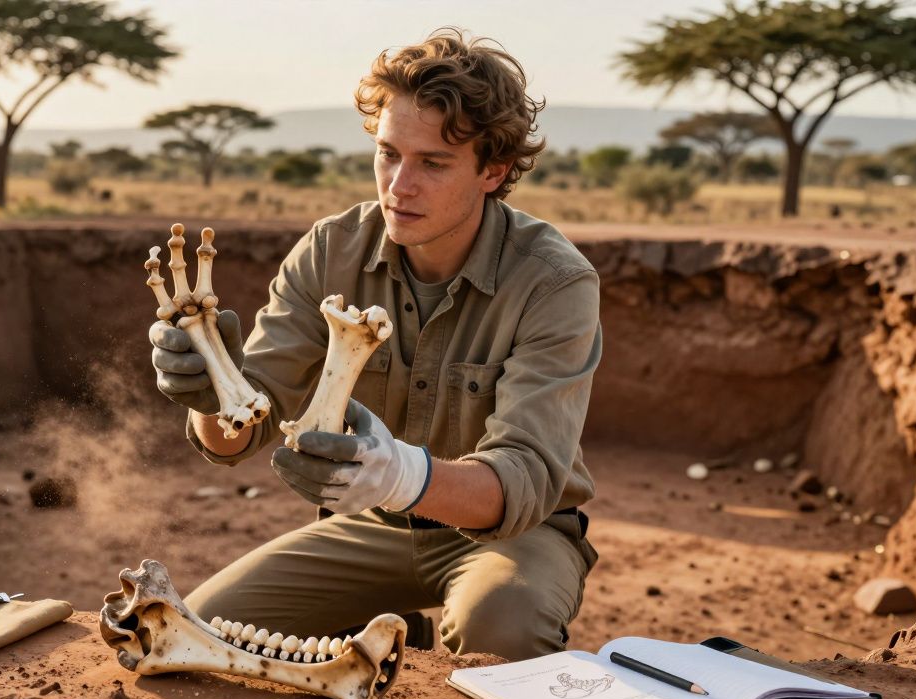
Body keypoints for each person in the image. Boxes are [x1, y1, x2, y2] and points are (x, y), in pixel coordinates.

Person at [148, 28, 601, 660]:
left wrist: (401, 474)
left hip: (511, 534)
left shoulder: (555, 281)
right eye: (388, 154)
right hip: (367, 528)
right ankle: (406, 638)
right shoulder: (333, 249)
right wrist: (209, 386)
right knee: (209, 636)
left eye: (433, 163)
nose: (399, 185)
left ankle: (429, 640)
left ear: (493, 171)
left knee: (502, 628)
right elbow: (238, 432)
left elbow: (522, 480)